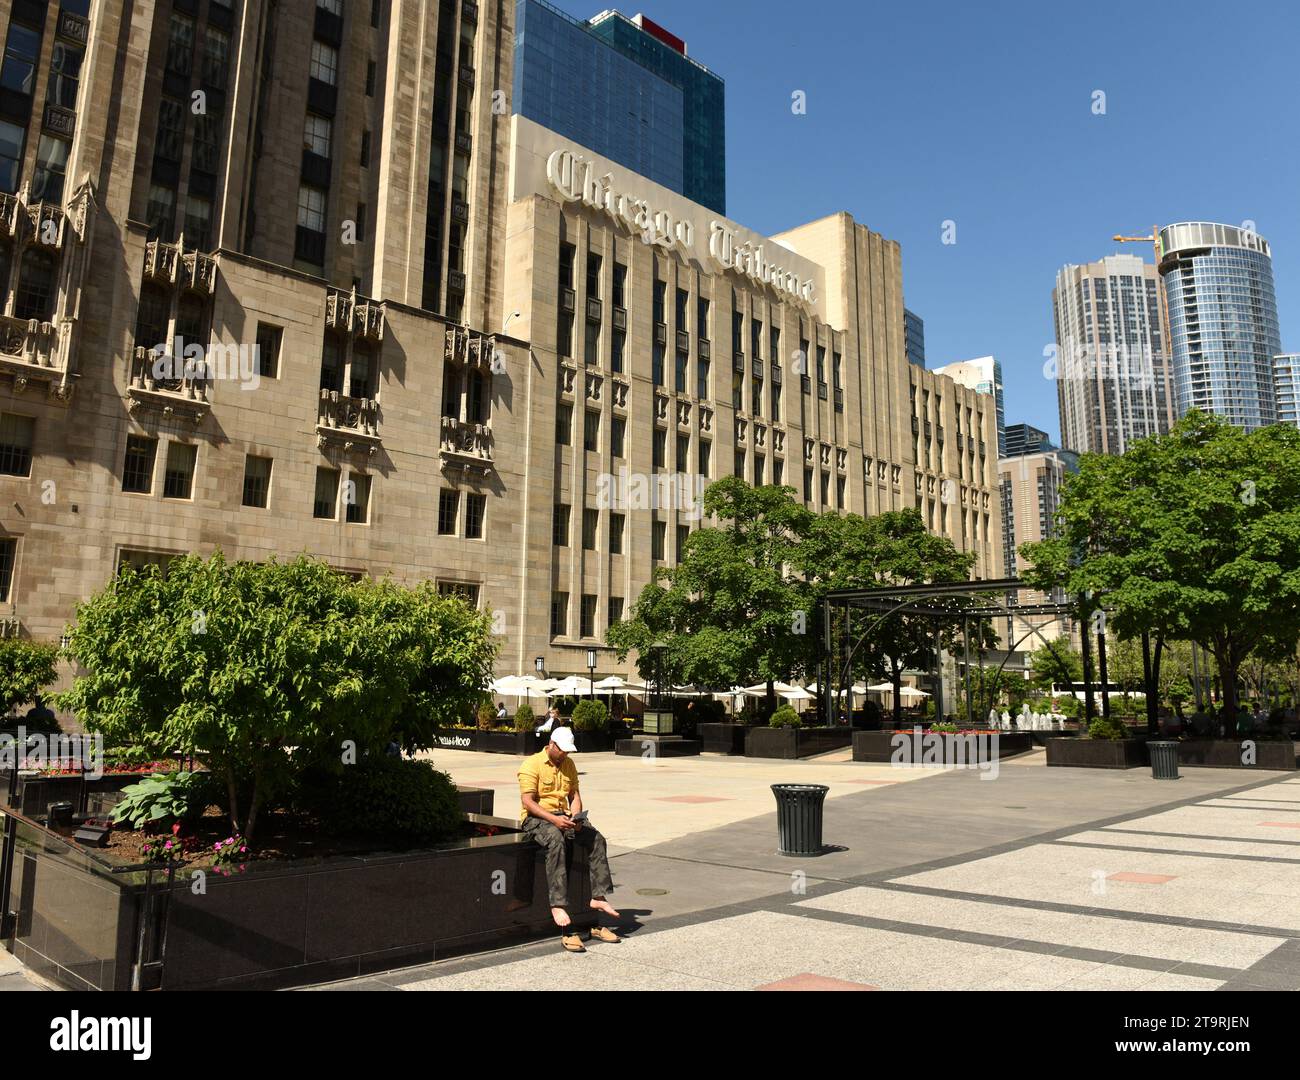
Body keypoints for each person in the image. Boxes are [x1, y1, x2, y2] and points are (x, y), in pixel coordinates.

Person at [517, 726, 620, 953]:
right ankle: (558, 904)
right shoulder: (531, 764)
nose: (566, 755)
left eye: (568, 752)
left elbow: (574, 795)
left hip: (563, 816)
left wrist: (576, 817)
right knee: (556, 840)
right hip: (537, 818)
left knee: (596, 838)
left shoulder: (569, 764)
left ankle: (598, 897)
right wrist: (554, 821)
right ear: (552, 745)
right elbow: (528, 802)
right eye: (563, 751)